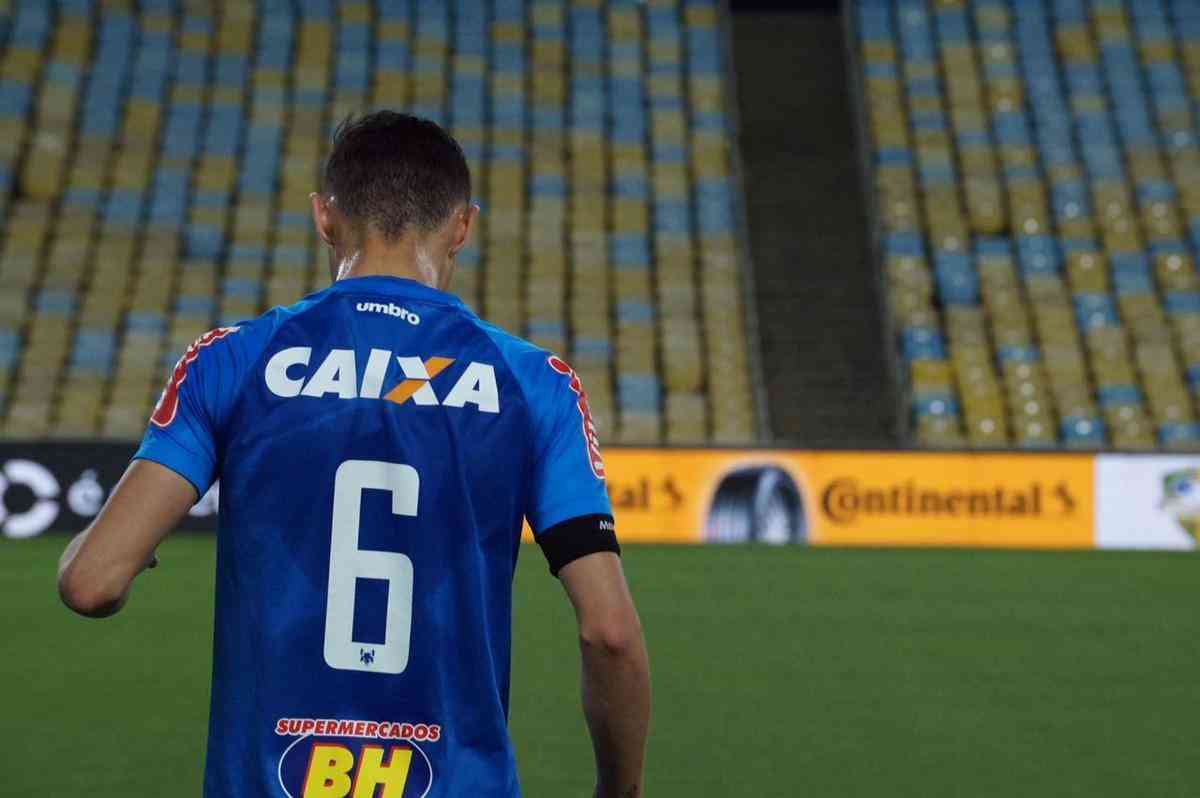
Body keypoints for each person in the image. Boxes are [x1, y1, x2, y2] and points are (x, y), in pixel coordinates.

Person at [57, 111, 651, 798]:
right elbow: (609, 632)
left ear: (324, 216)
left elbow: (92, 583)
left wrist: (99, 548)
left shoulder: (233, 362)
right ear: (463, 226)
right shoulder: (534, 384)